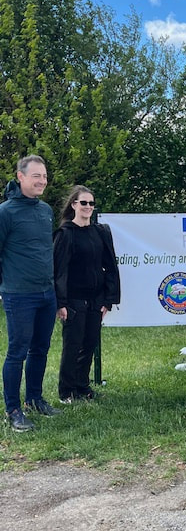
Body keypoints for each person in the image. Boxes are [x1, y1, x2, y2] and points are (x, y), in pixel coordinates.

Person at [0, 155, 61, 432]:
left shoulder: (45, 210)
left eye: (45, 176)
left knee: (40, 349)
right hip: (19, 295)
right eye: (36, 176)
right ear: (20, 177)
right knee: (17, 352)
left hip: (47, 293)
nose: (42, 181)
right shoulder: (6, 212)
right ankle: (13, 410)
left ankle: (35, 399)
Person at [54, 185, 120, 403]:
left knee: (90, 343)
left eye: (91, 203)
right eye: (84, 202)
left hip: (96, 299)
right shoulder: (65, 234)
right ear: (74, 205)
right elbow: (59, 270)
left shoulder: (100, 232)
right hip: (73, 300)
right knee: (73, 345)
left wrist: (108, 300)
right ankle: (66, 392)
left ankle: (82, 387)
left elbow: (110, 266)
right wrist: (61, 302)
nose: (88, 207)